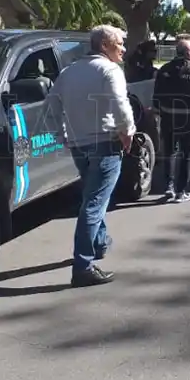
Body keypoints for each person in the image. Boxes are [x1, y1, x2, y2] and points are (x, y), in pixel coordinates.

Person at [48, 24, 135, 286]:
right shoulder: (110, 70)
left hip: (79, 145)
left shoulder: (68, 72)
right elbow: (121, 103)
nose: (123, 48)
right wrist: (127, 131)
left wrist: (60, 134)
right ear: (105, 45)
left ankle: (98, 244)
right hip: (105, 144)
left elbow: (51, 105)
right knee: (94, 203)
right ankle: (83, 266)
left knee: (94, 196)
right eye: (119, 43)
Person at [153, 38, 190, 203]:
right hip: (189, 120)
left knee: (169, 152)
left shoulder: (164, 70)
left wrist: (157, 112)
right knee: (187, 154)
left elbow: (156, 96)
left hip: (168, 119)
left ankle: (168, 188)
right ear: (189, 53)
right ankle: (181, 192)